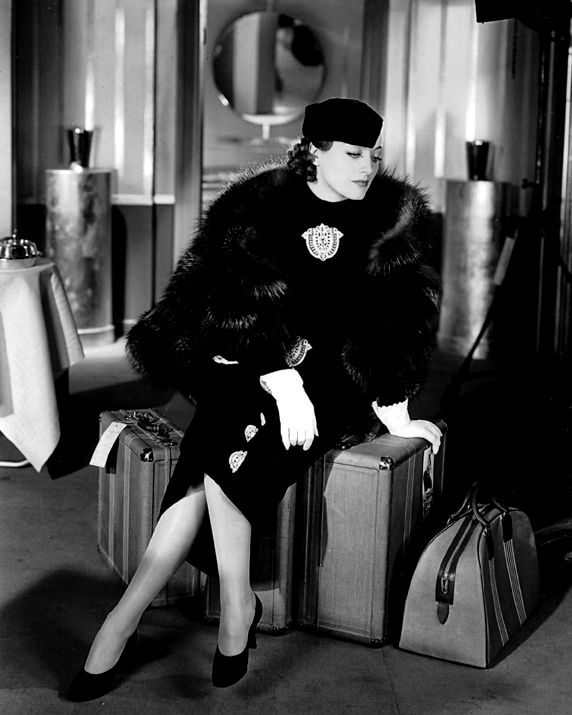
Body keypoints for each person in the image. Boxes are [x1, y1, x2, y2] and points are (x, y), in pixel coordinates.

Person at [66, 97, 442, 701]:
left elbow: (402, 319)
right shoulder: (257, 204)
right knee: (233, 418)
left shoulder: (394, 216)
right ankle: (233, 603)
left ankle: (125, 621)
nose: (368, 166)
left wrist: (394, 405)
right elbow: (223, 305)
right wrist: (275, 373)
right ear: (313, 152)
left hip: (335, 376)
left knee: (211, 450)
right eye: (352, 154)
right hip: (252, 357)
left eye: (374, 154)